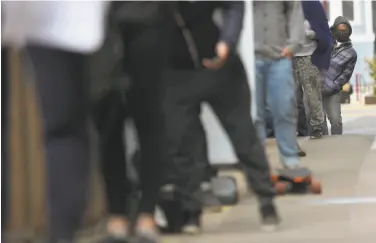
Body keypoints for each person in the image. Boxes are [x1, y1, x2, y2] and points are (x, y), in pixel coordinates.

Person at [162, 1, 279, 234]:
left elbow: (234, 6)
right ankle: (190, 211)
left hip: (222, 70)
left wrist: (227, 41)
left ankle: (266, 201)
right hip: (177, 74)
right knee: (183, 142)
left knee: (243, 136)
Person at [2, 2, 109, 243]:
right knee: (64, 125)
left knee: (63, 122)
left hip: (51, 15)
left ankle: (62, 233)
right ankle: (62, 233)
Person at [90, 2, 175, 243]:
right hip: (100, 24)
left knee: (149, 120)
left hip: (149, 18)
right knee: (107, 122)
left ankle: (147, 214)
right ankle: (116, 216)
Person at [253, 1, 306, 169]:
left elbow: (295, 12)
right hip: (250, 56)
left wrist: (294, 43)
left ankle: (289, 158)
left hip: (280, 56)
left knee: (284, 107)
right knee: (255, 113)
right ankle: (258, 163)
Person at [294, 0, 333, 139]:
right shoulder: (284, 5)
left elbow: (323, 30)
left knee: (313, 94)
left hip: (308, 56)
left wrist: (313, 34)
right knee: (293, 96)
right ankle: (298, 129)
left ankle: (317, 127)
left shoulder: (312, 5)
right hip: (289, 56)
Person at [322, 16, 357, 135]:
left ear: (349, 31)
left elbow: (346, 75)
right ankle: (321, 145)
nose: (342, 32)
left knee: (336, 120)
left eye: (345, 29)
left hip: (332, 91)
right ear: (334, 30)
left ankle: (337, 143)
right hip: (315, 87)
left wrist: (334, 86)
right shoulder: (325, 44)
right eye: (339, 29)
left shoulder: (351, 53)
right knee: (318, 121)